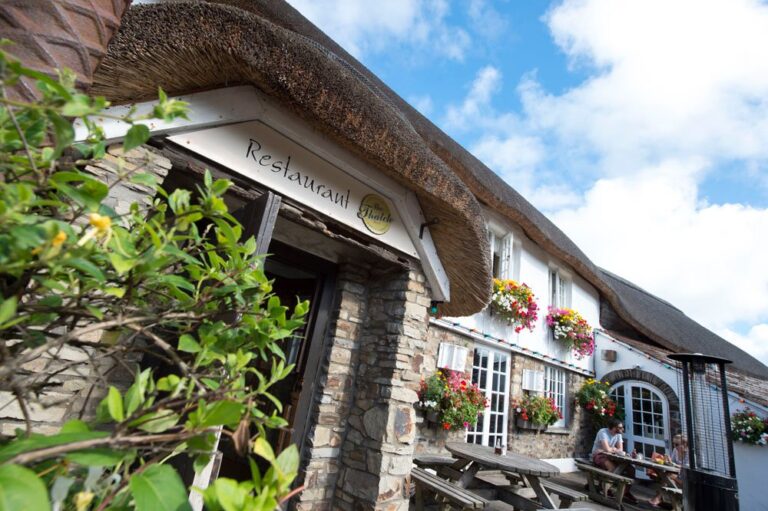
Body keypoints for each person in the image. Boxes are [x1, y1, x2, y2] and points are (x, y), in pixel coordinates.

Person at [590, 418, 640, 504]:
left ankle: (625, 492)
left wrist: (612, 449)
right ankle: (605, 489)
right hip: (598, 455)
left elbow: (620, 450)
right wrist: (612, 450)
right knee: (612, 467)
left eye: (622, 427)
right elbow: (607, 449)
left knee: (631, 470)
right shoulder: (603, 432)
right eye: (620, 427)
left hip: (611, 456)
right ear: (613, 428)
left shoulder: (618, 435)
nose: (622, 429)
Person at [648, 434, 688, 508]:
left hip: (685, 480)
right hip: (675, 475)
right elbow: (671, 463)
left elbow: (686, 469)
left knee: (666, 476)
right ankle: (660, 498)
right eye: (673, 444)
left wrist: (674, 465)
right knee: (663, 475)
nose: (674, 446)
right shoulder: (675, 450)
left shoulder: (689, 454)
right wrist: (667, 461)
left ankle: (658, 498)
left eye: (676, 444)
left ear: (684, 444)